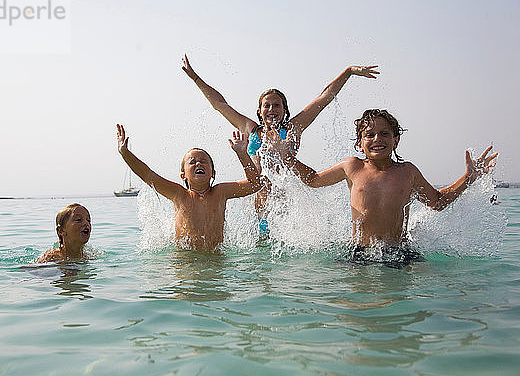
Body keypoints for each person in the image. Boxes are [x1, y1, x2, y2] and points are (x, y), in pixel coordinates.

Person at [181, 54, 379, 227]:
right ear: (260, 111)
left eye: (277, 105)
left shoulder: (293, 129)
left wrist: (348, 72)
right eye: (266, 106)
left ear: (284, 110)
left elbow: (324, 98)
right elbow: (220, 104)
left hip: (284, 213)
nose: (271, 109)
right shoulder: (251, 130)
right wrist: (195, 78)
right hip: (257, 211)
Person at [283, 109, 498, 263]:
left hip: (400, 253)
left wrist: (469, 177)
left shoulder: (407, 172)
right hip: (360, 253)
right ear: (359, 143)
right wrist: (286, 157)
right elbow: (313, 179)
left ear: (396, 140)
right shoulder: (352, 167)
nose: (377, 139)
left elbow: (437, 202)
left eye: (384, 133)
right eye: (369, 135)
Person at [116, 124, 264, 252]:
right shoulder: (178, 194)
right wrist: (125, 153)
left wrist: (242, 154)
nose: (198, 164)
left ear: (213, 173)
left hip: (215, 259)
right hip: (185, 259)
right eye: (192, 162)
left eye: (203, 161)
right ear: (183, 176)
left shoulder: (220, 192)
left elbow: (255, 184)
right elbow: (148, 175)